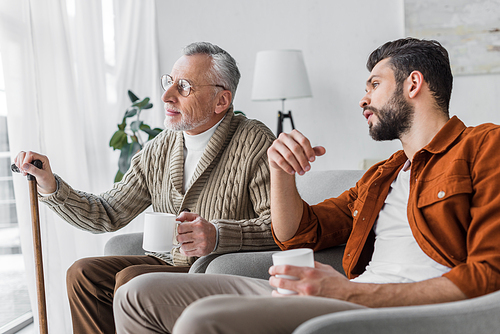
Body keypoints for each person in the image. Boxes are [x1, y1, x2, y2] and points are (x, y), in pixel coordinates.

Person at [112, 37, 500, 334]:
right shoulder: (383, 176)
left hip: (390, 308)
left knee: (203, 318)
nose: (363, 98)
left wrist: (350, 292)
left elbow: (489, 275)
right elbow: (298, 234)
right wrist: (280, 169)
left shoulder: (485, 147)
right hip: (348, 296)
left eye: (374, 84)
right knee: (139, 293)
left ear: (413, 84)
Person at [13, 41, 278, 334]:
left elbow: (281, 228)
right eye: (169, 82)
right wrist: (50, 185)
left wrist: (217, 235)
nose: (167, 96)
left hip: (216, 269)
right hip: (166, 263)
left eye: (184, 87)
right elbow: (108, 212)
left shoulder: (255, 141)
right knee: (83, 273)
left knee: (132, 279)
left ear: (221, 101)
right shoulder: (159, 148)